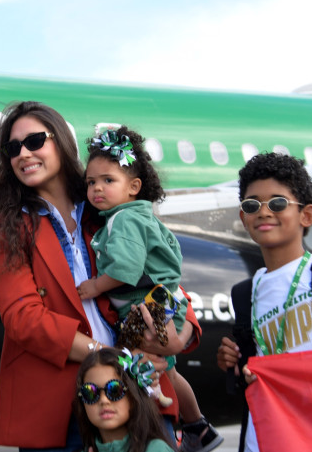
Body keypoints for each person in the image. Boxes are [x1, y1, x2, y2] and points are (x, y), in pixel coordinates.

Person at [0, 101, 200, 451]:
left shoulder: (108, 206)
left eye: (35, 141)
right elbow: (23, 320)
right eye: (13, 148)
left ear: (61, 142)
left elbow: (162, 273)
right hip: (60, 404)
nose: (23, 154)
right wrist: (112, 359)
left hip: (137, 394)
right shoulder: (6, 227)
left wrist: (184, 330)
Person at [75, 127, 221, 452]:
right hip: (163, 300)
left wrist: (94, 286)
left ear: (133, 186)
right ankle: (198, 424)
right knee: (161, 365)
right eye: (91, 182)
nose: (97, 188)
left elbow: (126, 269)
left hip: (148, 304)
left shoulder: (124, 221)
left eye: (108, 180)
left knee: (138, 360)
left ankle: (172, 408)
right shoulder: (138, 216)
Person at [216, 152, 312, 452]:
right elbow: (254, 368)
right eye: (251, 205)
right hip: (264, 437)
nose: (263, 212)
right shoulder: (245, 292)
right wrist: (235, 364)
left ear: (307, 215)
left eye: (277, 203)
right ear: (242, 218)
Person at [74, 347, 175, 452]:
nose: (104, 400)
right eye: (90, 392)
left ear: (133, 394)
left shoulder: (156, 449)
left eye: (114, 389)